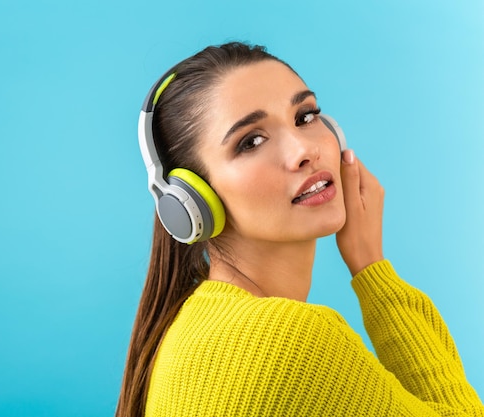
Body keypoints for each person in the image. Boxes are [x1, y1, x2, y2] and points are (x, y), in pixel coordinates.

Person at [116, 42, 483, 416]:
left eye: (305, 117)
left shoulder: (194, 327)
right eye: (251, 142)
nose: (303, 150)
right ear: (193, 199)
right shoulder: (291, 341)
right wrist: (372, 270)